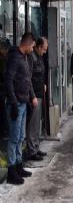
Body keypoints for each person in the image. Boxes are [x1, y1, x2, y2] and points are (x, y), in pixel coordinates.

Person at [5, 32, 37, 185]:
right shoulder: (14, 58)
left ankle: (18, 166)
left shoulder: (24, 57)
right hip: (15, 104)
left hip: (23, 102)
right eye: (32, 46)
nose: (33, 49)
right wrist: (12, 103)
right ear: (26, 44)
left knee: (20, 137)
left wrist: (31, 97)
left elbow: (27, 80)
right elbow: (8, 81)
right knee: (13, 138)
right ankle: (11, 170)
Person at [26, 37, 48, 161]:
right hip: (33, 96)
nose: (44, 52)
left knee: (37, 124)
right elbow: (28, 78)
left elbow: (41, 74)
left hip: (39, 93)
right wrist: (33, 96)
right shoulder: (31, 58)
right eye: (44, 49)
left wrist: (43, 84)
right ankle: (31, 151)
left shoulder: (39, 57)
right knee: (32, 124)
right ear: (38, 47)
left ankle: (36, 146)